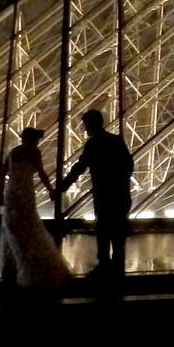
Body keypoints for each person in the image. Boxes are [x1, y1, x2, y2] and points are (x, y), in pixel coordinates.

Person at [59, 109, 134, 278]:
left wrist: (63, 185)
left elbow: (79, 167)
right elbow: (129, 165)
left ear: (91, 125)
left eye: (85, 126)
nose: (85, 130)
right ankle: (117, 266)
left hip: (104, 193)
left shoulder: (93, 144)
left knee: (103, 229)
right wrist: (120, 181)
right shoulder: (116, 140)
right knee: (117, 230)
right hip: (121, 193)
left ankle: (105, 265)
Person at [0, 127, 73, 290]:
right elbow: (41, 173)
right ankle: (31, 262)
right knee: (29, 224)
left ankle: (14, 261)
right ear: (33, 139)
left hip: (11, 191)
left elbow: (3, 173)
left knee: (13, 226)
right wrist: (50, 190)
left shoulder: (13, 152)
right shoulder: (33, 151)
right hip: (25, 190)